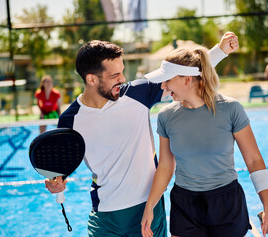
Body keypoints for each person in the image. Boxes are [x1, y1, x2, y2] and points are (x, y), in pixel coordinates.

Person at [44, 33, 237, 236]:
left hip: (148, 209)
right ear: (91, 79)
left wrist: (221, 50)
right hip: (104, 217)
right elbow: (61, 168)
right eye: (114, 75)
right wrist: (56, 182)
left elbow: (186, 73)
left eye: (122, 71)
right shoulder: (69, 120)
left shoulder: (137, 94)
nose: (123, 79)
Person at [141, 45, 268, 237]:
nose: (163, 86)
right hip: (185, 204)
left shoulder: (231, 109)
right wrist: (150, 206)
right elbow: (165, 166)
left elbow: (254, 160)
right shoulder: (165, 116)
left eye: (167, 80)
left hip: (227, 203)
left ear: (187, 79)